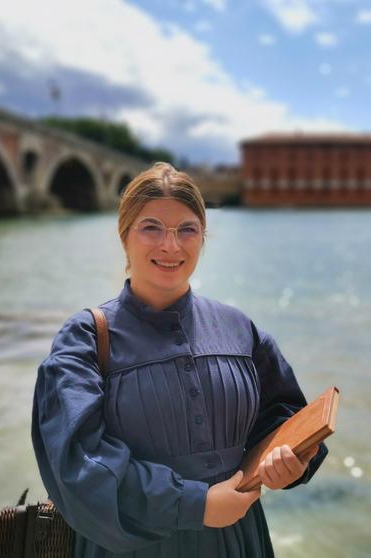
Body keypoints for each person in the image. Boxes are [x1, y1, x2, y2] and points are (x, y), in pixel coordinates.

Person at [31, 162, 328, 557]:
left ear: (202, 238)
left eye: (187, 229)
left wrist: (290, 462)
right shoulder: (84, 338)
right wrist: (195, 505)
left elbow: (287, 415)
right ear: (125, 237)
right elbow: (77, 464)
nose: (171, 246)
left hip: (238, 543)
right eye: (151, 227)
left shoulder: (239, 328)